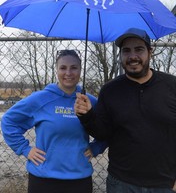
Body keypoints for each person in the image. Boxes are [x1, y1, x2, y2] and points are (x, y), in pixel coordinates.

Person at [74, 28, 176, 193]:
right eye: (126, 51)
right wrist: (86, 115)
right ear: (120, 55)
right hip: (121, 182)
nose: (132, 56)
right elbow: (102, 133)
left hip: (164, 184)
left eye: (139, 49)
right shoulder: (110, 90)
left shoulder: (171, 86)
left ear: (150, 52)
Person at [1, 49, 107, 193]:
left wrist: (97, 147)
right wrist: (25, 149)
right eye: (63, 68)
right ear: (56, 70)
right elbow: (8, 121)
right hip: (43, 179)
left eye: (74, 67)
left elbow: (109, 128)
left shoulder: (90, 102)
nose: (68, 73)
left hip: (79, 179)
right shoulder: (40, 99)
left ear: (80, 70)